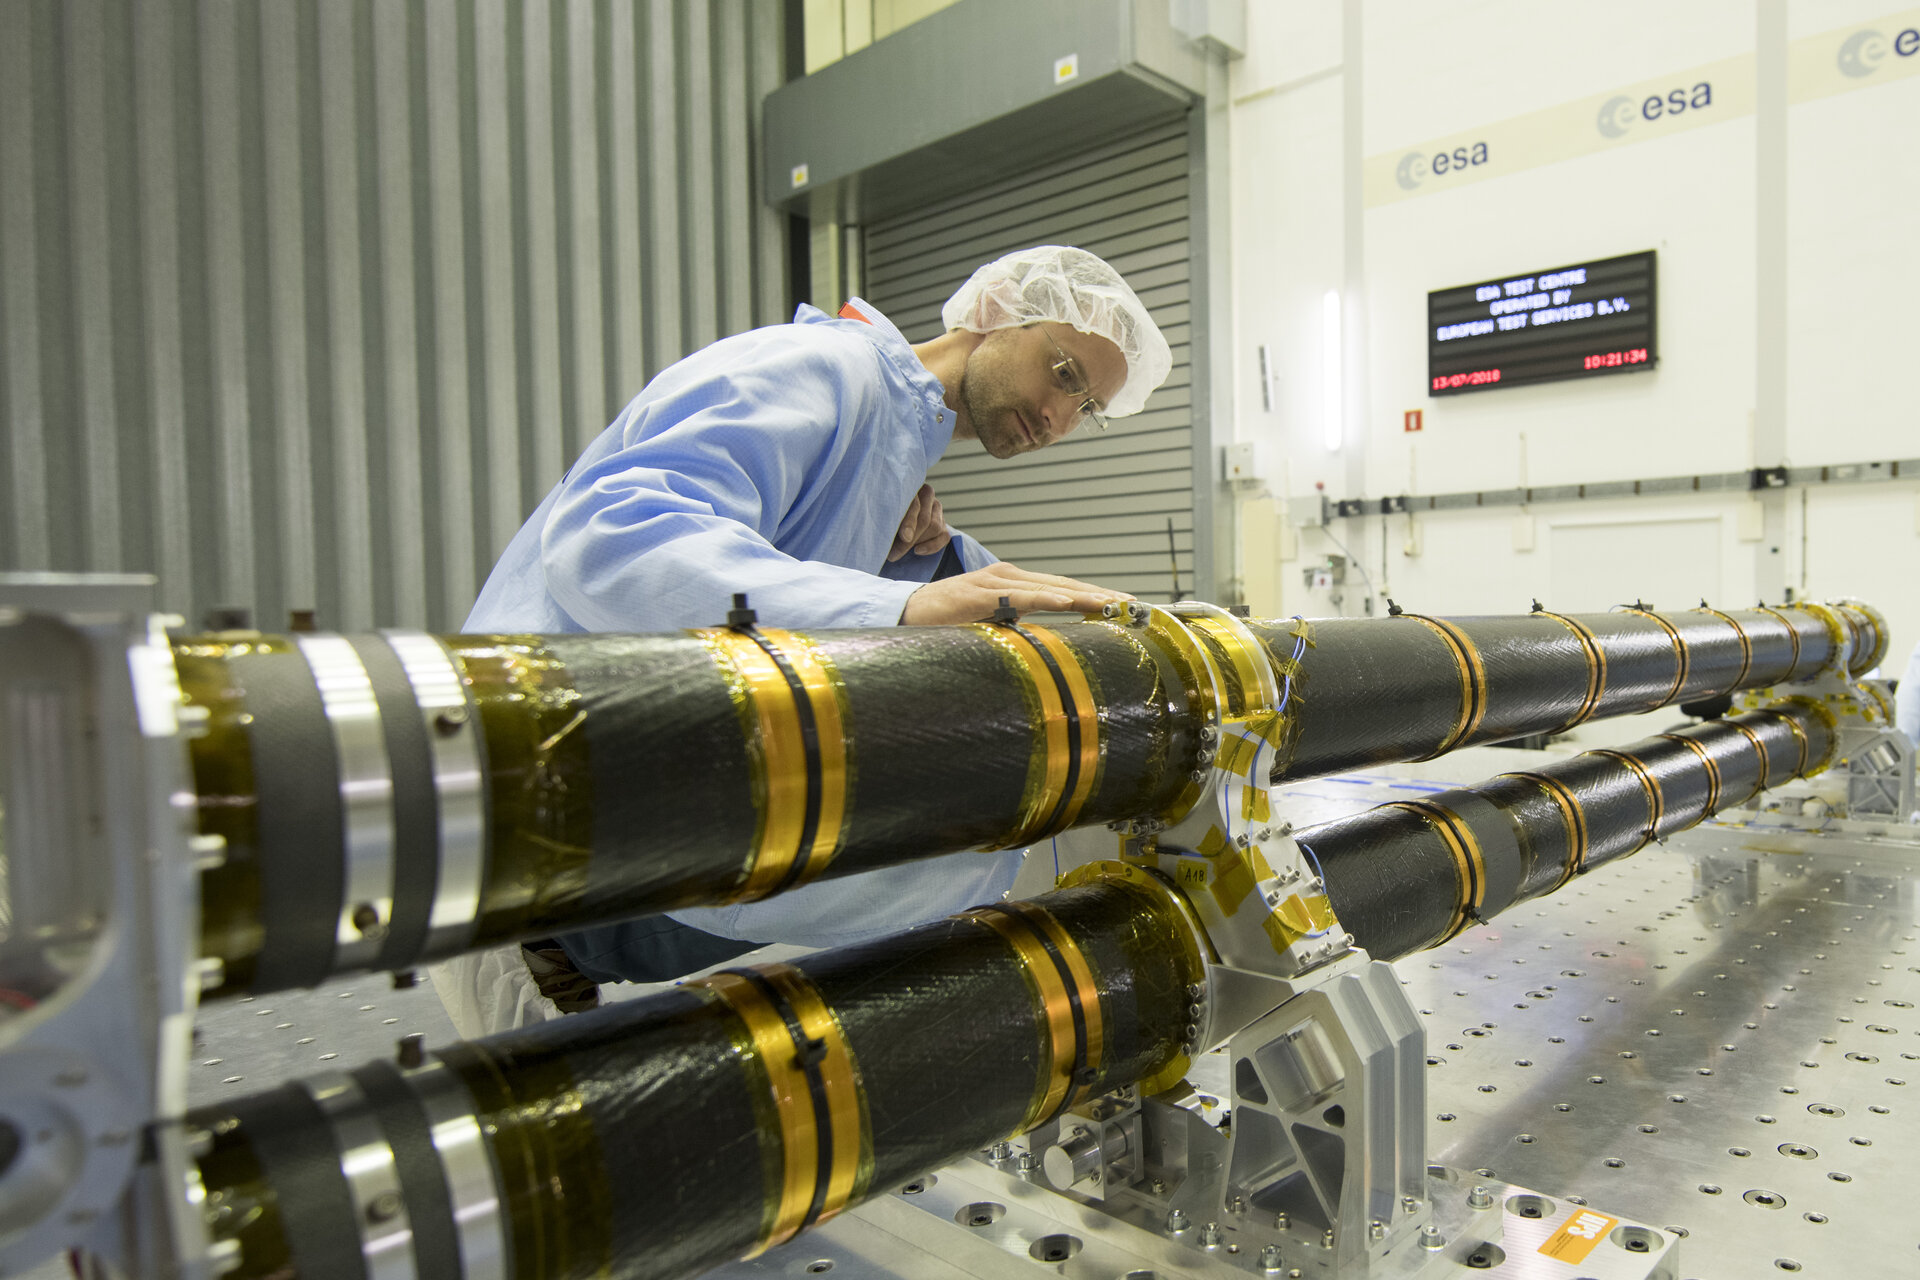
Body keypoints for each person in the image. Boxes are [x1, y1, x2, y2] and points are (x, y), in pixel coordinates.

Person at [433, 246, 1173, 1033]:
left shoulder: (893, 449)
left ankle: (580, 953)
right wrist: (900, 610)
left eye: (1086, 407)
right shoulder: (824, 368)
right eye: (1063, 374)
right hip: (540, 781)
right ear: (994, 313)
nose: (1059, 419)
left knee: (971, 839)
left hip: (598, 804)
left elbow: (796, 585)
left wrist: (930, 572)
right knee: (957, 837)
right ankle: (551, 938)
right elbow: (614, 532)